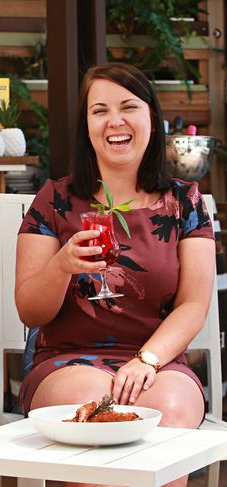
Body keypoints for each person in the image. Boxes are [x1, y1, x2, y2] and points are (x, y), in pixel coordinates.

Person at [15, 62, 214, 487]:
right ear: (86, 126)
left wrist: (148, 360)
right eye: (99, 110)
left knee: (169, 411)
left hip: (157, 362)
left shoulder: (185, 203)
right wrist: (62, 266)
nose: (115, 121)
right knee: (93, 413)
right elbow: (30, 311)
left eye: (128, 106)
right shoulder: (54, 201)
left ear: (151, 119)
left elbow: (194, 305)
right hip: (67, 361)